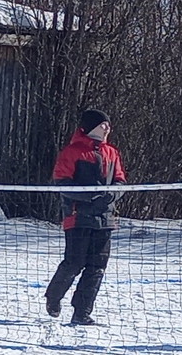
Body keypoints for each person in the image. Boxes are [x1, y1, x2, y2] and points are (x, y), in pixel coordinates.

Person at [45, 108, 125, 326]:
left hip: (105, 218)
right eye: (102, 124)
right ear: (89, 127)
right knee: (74, 263)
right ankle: (53, 296)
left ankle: (82, 312)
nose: (107, 128)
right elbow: (62, 183)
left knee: (97, 267)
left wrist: (110, 196)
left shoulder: (112, 153)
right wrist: (90, 196)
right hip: (78, 217)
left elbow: (120, 181)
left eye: (108, 124)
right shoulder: (72, 152)